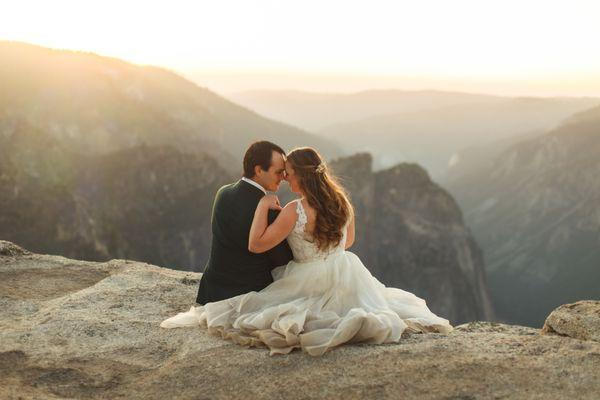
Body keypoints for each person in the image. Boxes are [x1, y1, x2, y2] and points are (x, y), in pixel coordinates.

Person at [161, 147, 453, 356]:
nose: (285, 179)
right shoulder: (342, 203)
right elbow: (348, 242)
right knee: (368, 307)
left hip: (307, 276)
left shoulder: (293, 211)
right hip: (346, 270)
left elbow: (256, 245)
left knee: (286, 315)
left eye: (288, 174)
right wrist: (325, 252)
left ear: (301, 177)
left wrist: (263, 206)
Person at [194, 141, 293, 305]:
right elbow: (282, 260)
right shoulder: (269, 211)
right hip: (247, 294)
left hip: (212, 290)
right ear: (259, 170)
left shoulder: (223, 192)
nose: (283, 177)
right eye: (279, 172)